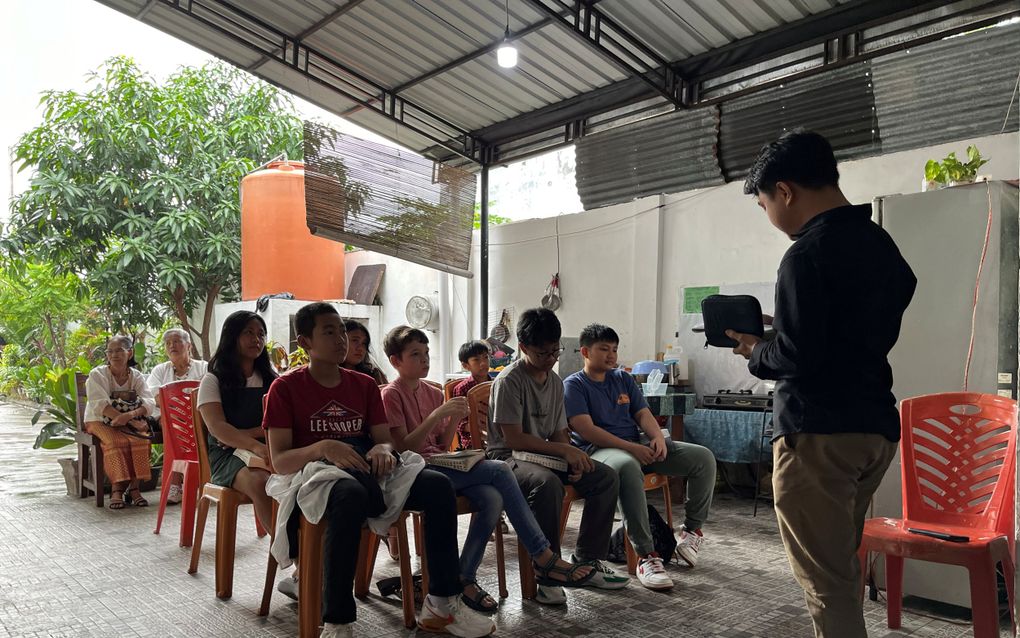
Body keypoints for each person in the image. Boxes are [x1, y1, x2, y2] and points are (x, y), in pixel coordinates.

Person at [725, 130, 916, 638]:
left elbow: (797, 355)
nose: (769, 215)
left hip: (818, 435)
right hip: (874, 428)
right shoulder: (880, 243)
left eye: (765, 202)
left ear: (785, 191)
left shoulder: (805, 253)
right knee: (840, 569)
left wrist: (755, 351)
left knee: (826, 582)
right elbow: (855, 323)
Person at [263, 302, 496, 638]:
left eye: (342, 331)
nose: (341, 339)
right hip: (314, 474)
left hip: (365, 465)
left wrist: (381, 449)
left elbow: (385, 441)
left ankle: (441, 604)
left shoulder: (363, 385)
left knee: (437, 486)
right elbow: (280, 460)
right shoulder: (285, 389)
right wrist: (323, 447)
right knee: (350, 495)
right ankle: (338, 621)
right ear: (305, 343)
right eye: (329, 332)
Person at [381, 326, 593, 614]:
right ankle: (543, 555)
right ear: (395, 361)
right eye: (415, 355)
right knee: (499, 471)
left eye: (427, 353)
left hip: (439, 464)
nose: (425, 359)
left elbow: (442, 445)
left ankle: (465, 577)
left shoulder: (431, 392)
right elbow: (406, 447)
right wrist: (438, 415)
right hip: (415, 471)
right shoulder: (391, 395)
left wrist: (453, 418)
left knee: (493, 498)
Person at [487, 307, 627, 606]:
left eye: (555, 351)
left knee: (604, 477)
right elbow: (513, 439)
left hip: (542, 455)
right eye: (542, 353)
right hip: (507, 459)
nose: (550, 359)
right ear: (523, 348)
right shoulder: (510, 380)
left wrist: (571, 456)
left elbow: (560, 432)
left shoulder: (553, 381)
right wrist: (564, 451)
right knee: (546, 484)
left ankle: (590, 558)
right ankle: (548, 574)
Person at [563, 323, 716, 591]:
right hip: (598, 452)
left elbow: (642, 414)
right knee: (627, 465)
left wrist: (656, 436)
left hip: (636, 446)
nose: (611, 355)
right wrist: (632, 448)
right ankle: (646, 556)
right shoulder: (574, 385)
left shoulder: (622, 379)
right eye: (604, 349)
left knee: (702, 457)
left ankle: (691, 532)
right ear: (585, 351)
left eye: (614, 349)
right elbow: (587, 430)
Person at [196, 311, 276, 550]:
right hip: (227, 457)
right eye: (249, 333)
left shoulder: (272, 380)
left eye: (261, 334)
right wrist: (255, 443)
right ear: (232, 337)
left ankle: (314, 550)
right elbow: (218, 428)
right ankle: (298, 561)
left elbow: (281, 423)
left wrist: (244, 435)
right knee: (260, 481)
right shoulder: (213, 380)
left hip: (267, 449)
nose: (257, 339)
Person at [83, 334, 156, 510]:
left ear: (129, 353)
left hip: (128, 421)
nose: (114, 355)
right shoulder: (97, 374)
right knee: (116, 442)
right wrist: (128, 421)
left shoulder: (136, 376)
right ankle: (116, 491)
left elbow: (149, 401)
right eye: (110, 351)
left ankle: (134, 489)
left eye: (119, 350)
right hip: (98, 420)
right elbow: (100, 404)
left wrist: (131, 417)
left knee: (141, 440)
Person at [147, 328, 208, 504]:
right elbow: (154, 397)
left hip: (198, 419)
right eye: (168, 343)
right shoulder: (160, 370)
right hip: (168, 420)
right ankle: (176, 483)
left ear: (188, 345)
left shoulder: (203, 367)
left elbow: (208, 395)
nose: (172, 345)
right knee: (172, 423)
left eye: (176, 341)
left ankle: (186, 482)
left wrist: (176, 402)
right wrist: (181, 408)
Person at [450, 339, 492, 450]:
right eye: (476, 360)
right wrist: (484, 430)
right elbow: (460, 423)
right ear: (466, 366)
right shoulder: (462, 389)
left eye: (486, 357)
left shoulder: (495, 384)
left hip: (494, 435)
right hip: (471, 440)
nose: (483, 363)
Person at [341, 319, 388, 385]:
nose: (361, 348)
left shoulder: (373, 376)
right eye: (355, 340)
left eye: (364, 343)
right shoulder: (328, 376)